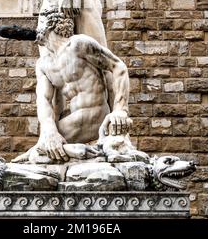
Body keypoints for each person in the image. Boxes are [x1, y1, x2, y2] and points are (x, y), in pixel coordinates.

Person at [13, 11, 133, 163]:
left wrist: (120, 110)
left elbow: (118, 67)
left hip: (95, 115)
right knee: (47, 140)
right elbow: (43, 100)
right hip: (75, 120)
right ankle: (71, 150)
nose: (36, 27)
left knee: (40, 152)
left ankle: (53, 151)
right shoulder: (43, 64)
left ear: (49, 25)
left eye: (39, 22)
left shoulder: (78, 44)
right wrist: (49, 130)